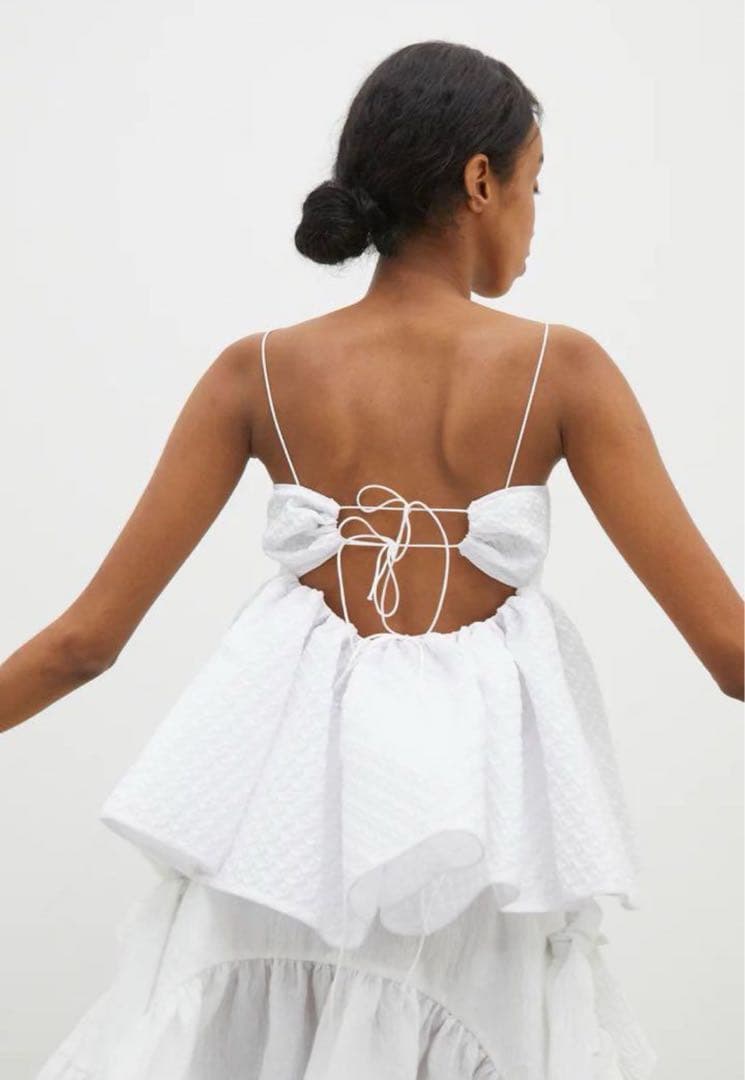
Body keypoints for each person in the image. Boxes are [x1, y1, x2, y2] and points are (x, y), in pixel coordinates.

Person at [4, 38, 742, 1080]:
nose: (535, 218)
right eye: (534, 185)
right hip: (470, 865)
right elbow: (731, 652)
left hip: (273, 861)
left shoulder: (256, 372)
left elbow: (84, 642)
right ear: (480, 182)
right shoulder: (560, 370)